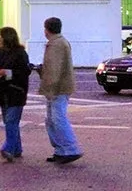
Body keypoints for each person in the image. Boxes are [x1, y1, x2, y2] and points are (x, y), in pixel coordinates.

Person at [41, 17, 83, 164]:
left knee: (57, 119)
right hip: (61, 86)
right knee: (52, 119)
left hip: (57, 88)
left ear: (47, 29)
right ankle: (61, 150)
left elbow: (54, 69)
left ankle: (69, 148)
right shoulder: (60, 42)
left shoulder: (55, 44)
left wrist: (50, 88)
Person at [0, 26, 32, 162]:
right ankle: (17, 148)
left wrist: (6, 72)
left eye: (0, 36)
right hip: (3, 91)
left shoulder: (20, 53)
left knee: (11, 121)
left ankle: (8, 148)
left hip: (16, 91)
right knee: (10, 121)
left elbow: (25, 72)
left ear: (7, 37)